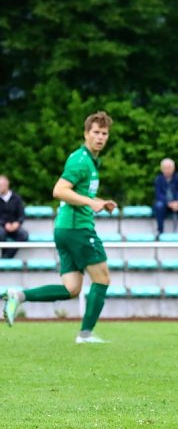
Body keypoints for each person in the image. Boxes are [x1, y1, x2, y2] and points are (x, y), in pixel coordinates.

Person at [3, 112, 117, 344]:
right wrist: (91, 202)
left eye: (104, 133)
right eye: (95, 132)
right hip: (78, 229)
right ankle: (85, 334)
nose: (100, 137)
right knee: (102, 278)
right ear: (86, 134)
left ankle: (19, 295)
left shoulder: (92, 161)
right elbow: (59, 190)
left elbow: (78, 193)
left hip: (65, 229)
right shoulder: (80, 160)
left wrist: (99, 202)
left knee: (72, 288)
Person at [153, 158, 178, 236]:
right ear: (162, 169)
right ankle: (160, 231)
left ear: (173, 168)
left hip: (177, 203)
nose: (167, 170)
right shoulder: (158, 179)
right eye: (165, 168)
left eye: (169, 168)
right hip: (165, 203)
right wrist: (168, 203)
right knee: (159, 205)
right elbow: (158, 194)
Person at [0, 175, 29, 258]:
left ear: (6, 185)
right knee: (0, 233)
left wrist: (17, 223)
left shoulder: (16, 198)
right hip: (1, 226)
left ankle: (7, 256)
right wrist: (4, 224)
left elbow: (21, 215)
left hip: (14, 226)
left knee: (24, 235)